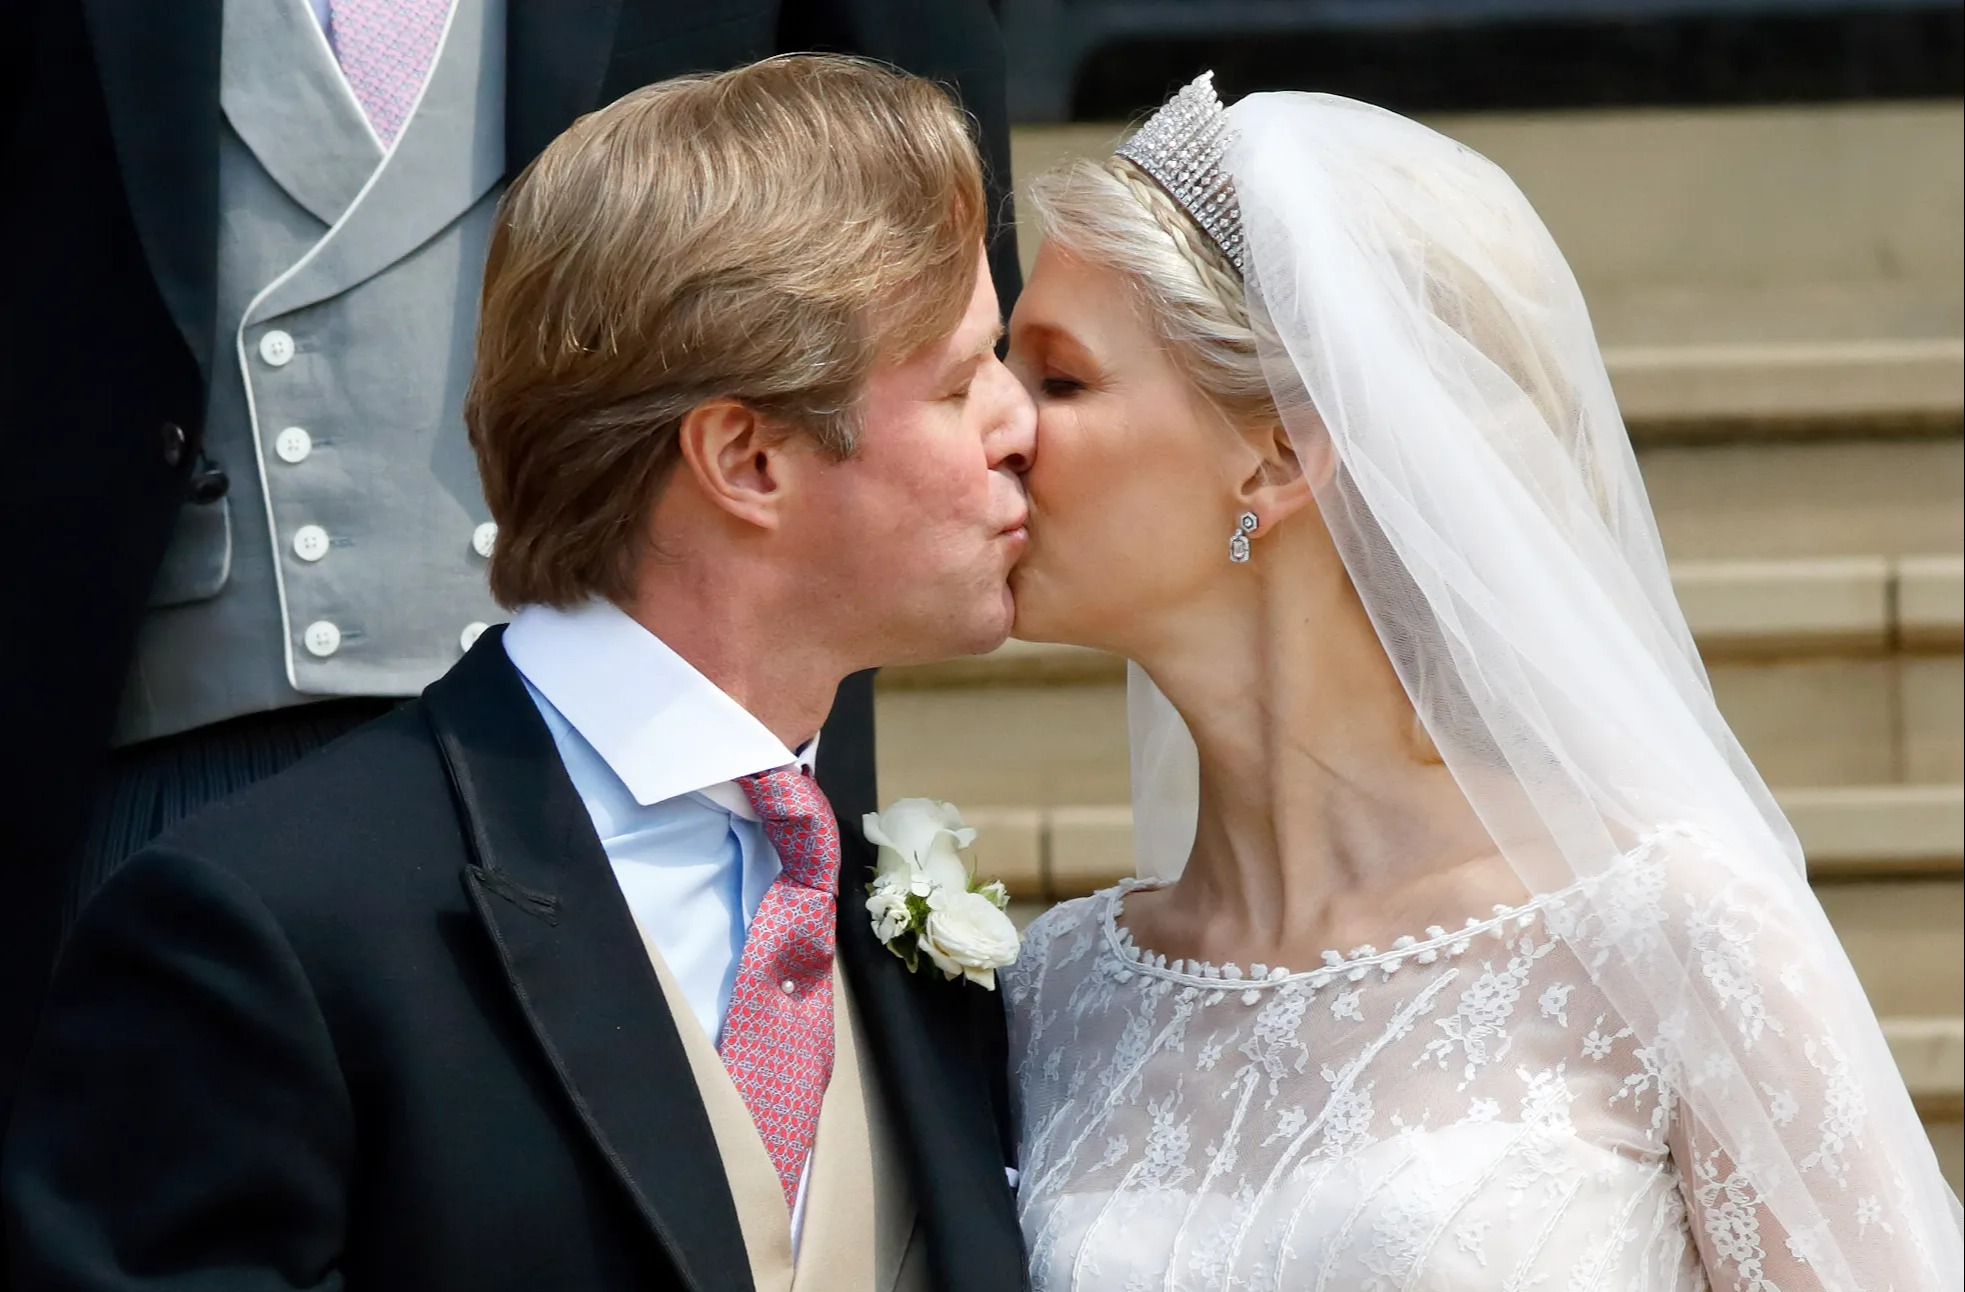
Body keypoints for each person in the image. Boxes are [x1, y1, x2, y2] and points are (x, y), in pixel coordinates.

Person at [4, 56, 1033, 1291]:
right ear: (747, 458)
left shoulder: (896, 921)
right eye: (966, 378)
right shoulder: (261, 930)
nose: (1020, 424)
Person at [999, 74, 1962, 1290]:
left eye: (1060, 379)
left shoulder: (1665, 934)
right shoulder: (1059, 991)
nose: (997, 421)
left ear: (1280, 455)